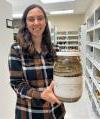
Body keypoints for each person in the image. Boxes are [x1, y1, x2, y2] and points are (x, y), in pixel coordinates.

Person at [8, 4, 66, 119]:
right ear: (26, 23)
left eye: (40, 18)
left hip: (55, 111)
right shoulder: (16, 49)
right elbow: (16, 83)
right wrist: (41, 95)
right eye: (31, 19)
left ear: (45, 22)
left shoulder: (53, 49)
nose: (36, 22)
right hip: (30, 112)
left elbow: (59, 78)